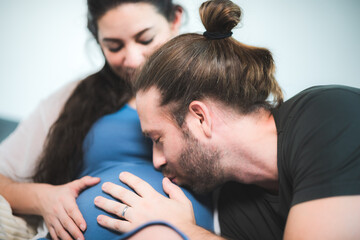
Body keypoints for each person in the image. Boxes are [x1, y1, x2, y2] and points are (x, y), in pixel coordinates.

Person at [91, 0, 360, 239]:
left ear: (200, 118)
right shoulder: (233, 204)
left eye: (158, 139)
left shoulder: (330, 118)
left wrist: (182, 230)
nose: (157, 160)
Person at [0, 1, 214, 240]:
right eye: (114, 46)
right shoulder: (76, 98)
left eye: (145, 39)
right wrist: (43, 198)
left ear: (175, 19)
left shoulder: (214, 89)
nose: (132, 59)